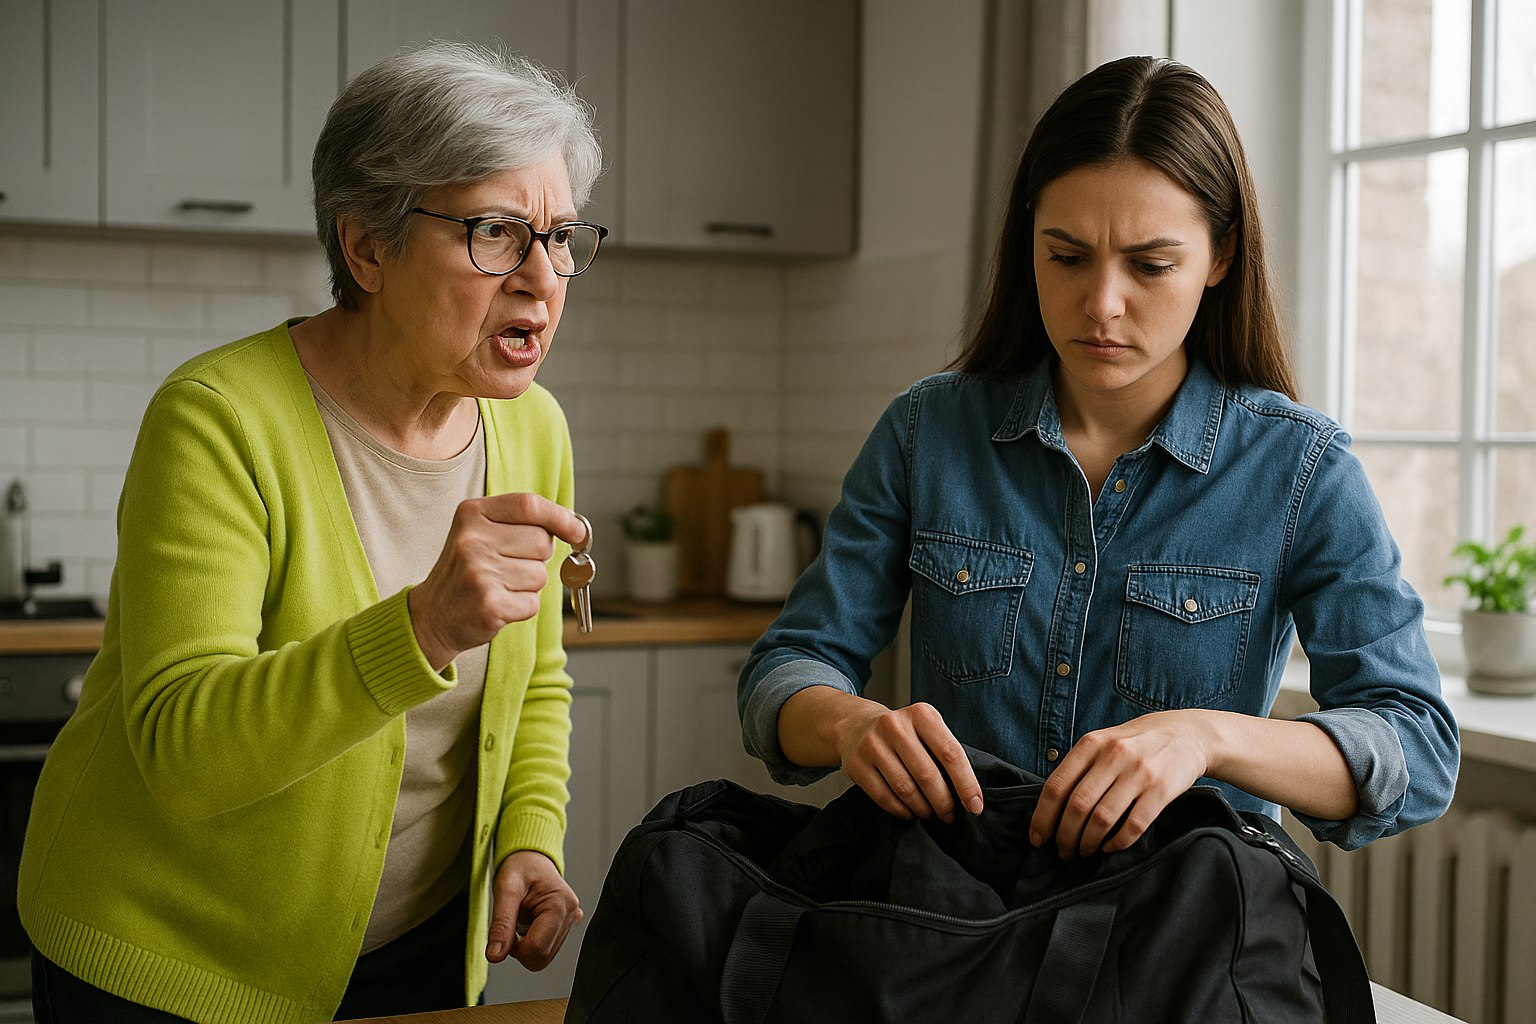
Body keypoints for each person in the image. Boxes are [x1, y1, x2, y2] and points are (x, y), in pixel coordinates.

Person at [738, 56, 1459, 863]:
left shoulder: (1302, 469)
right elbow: (785, 669)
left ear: (1221, 256)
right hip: (958, 912)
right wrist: (850, 724)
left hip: (1181, 921)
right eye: (1067, 256)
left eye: (1150, 265)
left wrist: (1205, 739)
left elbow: (1417, 746)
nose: (1102, 304)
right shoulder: (925, 433)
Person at [19, 41, 606, 1023]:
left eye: (559, 237)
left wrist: (528, 837)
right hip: (167, 963)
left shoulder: (534, 428)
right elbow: (182, 750)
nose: (543, 278)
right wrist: (422, 628)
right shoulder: (218, 419)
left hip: (420, 952)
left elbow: (535, 676)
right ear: (367, 248)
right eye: (496, 233)